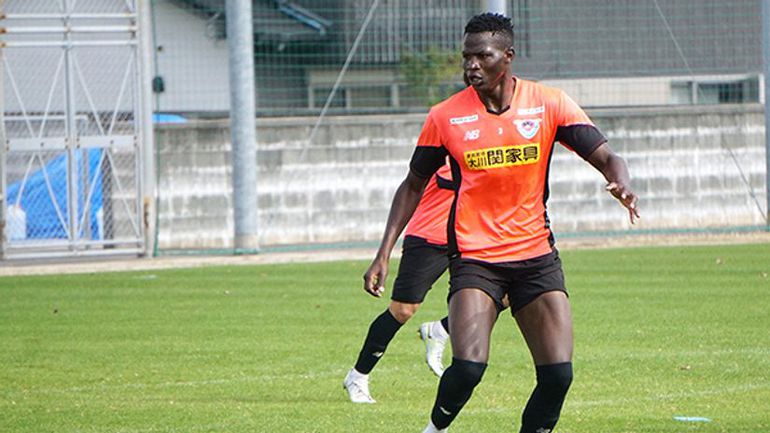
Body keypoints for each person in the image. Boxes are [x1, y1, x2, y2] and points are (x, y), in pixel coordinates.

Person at [362, 12, 639, 433]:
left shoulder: (548, 103)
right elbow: (412, 184)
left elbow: (606, 156)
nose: (471, 65)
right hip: (475, 258)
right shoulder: (445, 117)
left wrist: (621, 182)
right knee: (469, 368)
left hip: (536, 256)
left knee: (558, 375)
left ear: (507, 56)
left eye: (482, 56)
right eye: (466, 57)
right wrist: (384, 253)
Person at [344, 164, 456, 404]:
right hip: (430, 236)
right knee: (402, 310)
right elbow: (411, 188)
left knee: (504, 293)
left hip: (472, 238)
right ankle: (358, 376)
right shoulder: (446, 151)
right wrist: (383, 255)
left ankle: (441, 329)